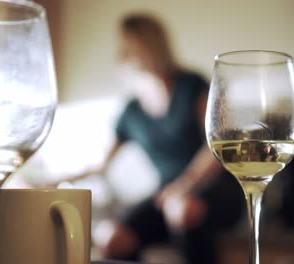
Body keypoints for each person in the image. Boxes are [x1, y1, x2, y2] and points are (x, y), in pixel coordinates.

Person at [63, 14, 243, 263]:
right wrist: (55, 181)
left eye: (131, 46)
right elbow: (101, 164)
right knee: (113, 238)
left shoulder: (192, 85)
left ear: (152, 45)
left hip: (214, 187)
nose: (123, 54)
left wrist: (184, 184)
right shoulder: (131, 111)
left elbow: (217, 146)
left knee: (182, 209)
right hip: (167, 193)